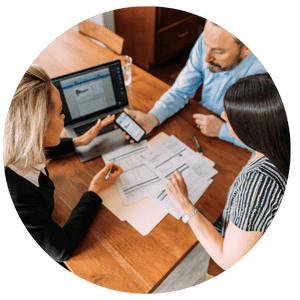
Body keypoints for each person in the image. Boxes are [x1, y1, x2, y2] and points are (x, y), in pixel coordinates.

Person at [165, 73, 290, 270]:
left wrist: (185, 206)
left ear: (252, 131)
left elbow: (229, 260)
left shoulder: (259, 184)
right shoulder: (279, 144)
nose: (222, 116)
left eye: (230, 115)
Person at [3, 64, 123, 262]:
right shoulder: (15, 194)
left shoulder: (14, 140)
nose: (64, 117)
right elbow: (61, 250)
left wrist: (78, 141)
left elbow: (37, 145)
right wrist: (93, 193)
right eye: (60, 112)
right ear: (37, 126)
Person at [122, 20, 267, 148]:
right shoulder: (209, 42)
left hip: (240, 143)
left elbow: (272, 140)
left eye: (218, 51)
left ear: (247, 47)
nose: (206, 57)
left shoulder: (265, 75)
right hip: (202, 125)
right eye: (206, 45)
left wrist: (223, 130)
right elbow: (180, 91)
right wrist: (152, 118)